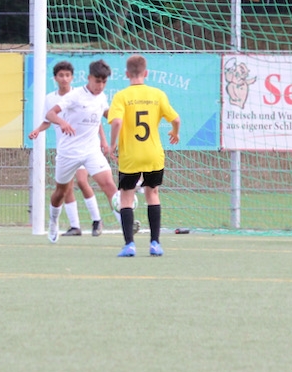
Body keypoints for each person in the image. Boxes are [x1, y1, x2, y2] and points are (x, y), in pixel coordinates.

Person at [107, 55, 181, 257]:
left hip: (130, 156)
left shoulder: (121, 96)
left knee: (126, 198)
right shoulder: (157, 94)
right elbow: (176, 119)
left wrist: (112, 145)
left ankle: (129, 245)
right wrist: (175, 133)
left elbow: (116, 122)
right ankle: (155, 243)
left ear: (127, 74)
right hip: (153, 155)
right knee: (153, 195)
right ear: (146, 73)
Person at [43, 59, 121, 244]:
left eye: (104, 82)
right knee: (61, 192)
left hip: (91, 151)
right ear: (89, 78)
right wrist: (62, 122)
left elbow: (107, 115)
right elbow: (50, 114)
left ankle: (126, 224)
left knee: (109, 185)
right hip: (69, 152)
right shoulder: (75, 95)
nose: (100, 86)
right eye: (97, 81)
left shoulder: (101, 97)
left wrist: (121, 119)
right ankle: (53, 221)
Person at [28, 60, 107, 237]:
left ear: (72, 77)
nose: (64, 78)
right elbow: (48, 120)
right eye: (61, 75)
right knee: (65, 189)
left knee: (82, 181)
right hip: (66, 149)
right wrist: (37, 130)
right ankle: (75, 226)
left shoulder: (80, 94)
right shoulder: (50, 99)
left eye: (67, 75)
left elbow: (96, 119)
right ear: (55, 78)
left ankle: (96, 219)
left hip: (86, 147)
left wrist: (103, 140)